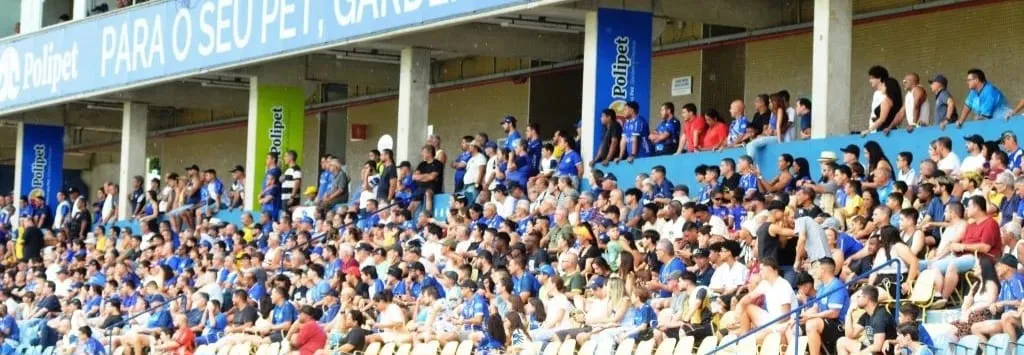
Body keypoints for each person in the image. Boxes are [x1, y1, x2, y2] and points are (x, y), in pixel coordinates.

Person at [803, 258, 849, 355]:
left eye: (817, 268)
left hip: (839, 325)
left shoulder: (836, 286)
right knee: (795, 326)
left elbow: (834, 313)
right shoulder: (822, 287)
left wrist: (810, 317)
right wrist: (799, 317)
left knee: (812, 324)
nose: (815, 271)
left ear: (823, 270)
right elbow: (815, 307)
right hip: (825, 322)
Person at [836, 285, 896, 355]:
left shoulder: (880, 316)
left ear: (867, 298)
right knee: (841, 341)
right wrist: (849, 312)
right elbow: (850, 335)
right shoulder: (867, 315)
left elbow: (878, 347)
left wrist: (860, 352)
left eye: (858, 297)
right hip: (872, 350)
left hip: (883, 352)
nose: (856, 300)